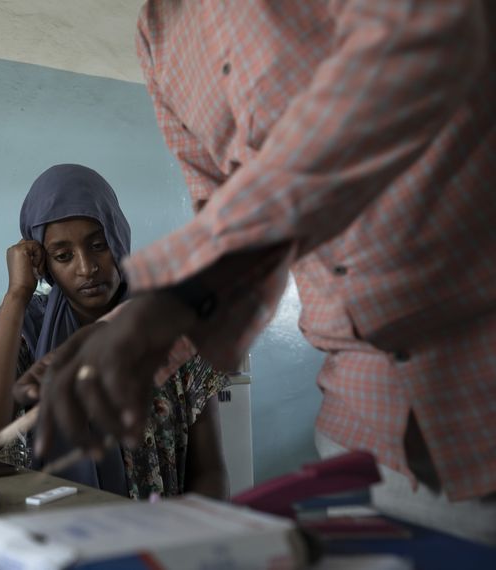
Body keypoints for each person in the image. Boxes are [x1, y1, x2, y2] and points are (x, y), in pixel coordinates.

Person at [29, 1, 496, 545]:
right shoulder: (160, 39)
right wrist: (136, 337)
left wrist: (178, 293)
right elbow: (230, 237)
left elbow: (412, 51)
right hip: (368, 433)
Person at [0, 163, 230, 500]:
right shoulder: (30, 334)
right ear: (44, 263)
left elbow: (209, 470)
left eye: (98, 245)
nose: (87, 267)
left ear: (118, 236)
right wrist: (17, 294)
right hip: (59, 536)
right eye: (63, 255)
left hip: (160, 536)